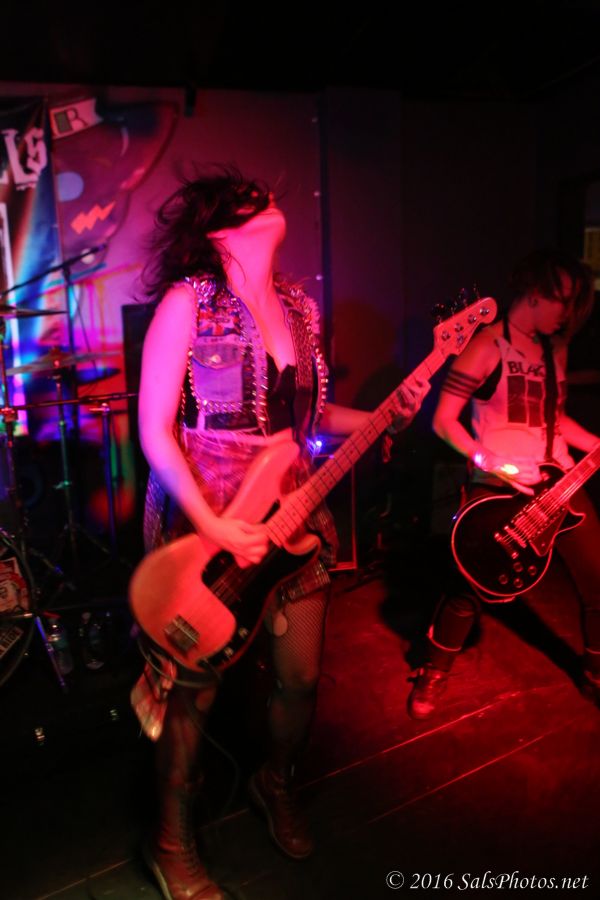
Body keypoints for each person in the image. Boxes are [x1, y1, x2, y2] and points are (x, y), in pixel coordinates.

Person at [131, 167, 429, 900]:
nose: (267, 201)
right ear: (217, 229)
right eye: (247, 201)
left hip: (297, 517)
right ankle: (170, 841)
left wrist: (384, 415)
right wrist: (213, 524)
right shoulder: (186, 303)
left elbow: (310, 419)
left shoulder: (298, 308)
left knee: (299, 678)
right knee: (192, 696)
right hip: (206, 524)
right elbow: (154, 430)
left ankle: (275, 782)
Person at [407, 248, 600, 721]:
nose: (567, 313)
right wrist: (489, 461)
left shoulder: (555, 349)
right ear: (534, 292)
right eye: (562, 300)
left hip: (558, 477)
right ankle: (434, 670)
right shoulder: (486, 346)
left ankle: (596, 673)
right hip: (499, 484)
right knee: (469, 587)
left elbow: (554, 418)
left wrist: (594, 443)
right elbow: (443, 421)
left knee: (598, 580)